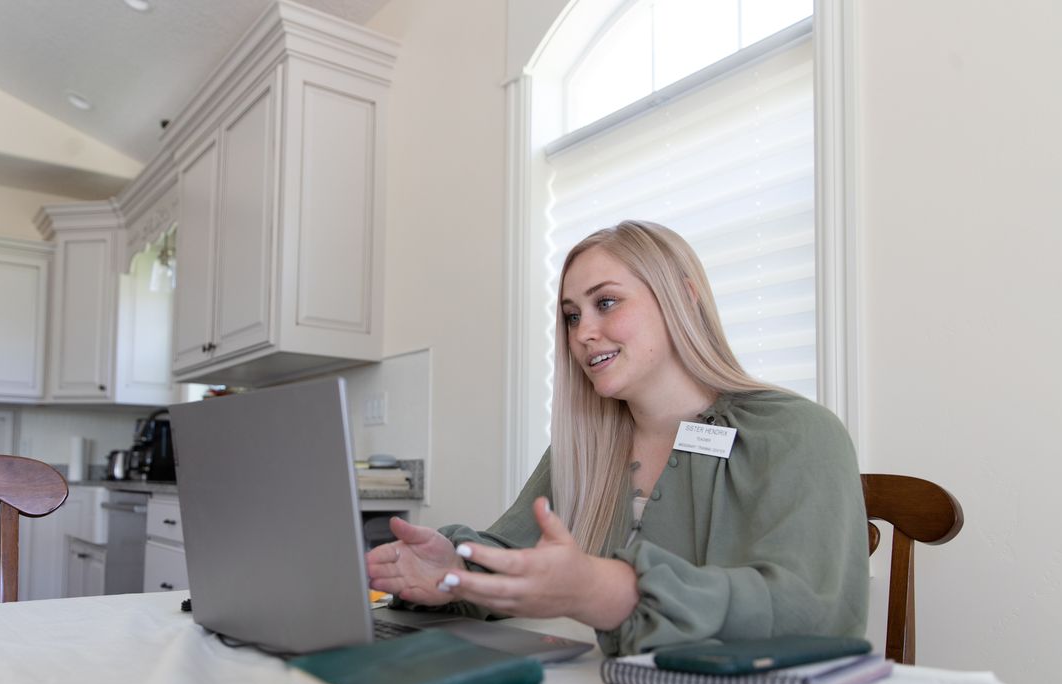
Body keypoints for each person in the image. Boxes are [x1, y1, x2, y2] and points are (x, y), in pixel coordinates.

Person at [366, 220, 868, 656]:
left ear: (684, 299)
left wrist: (605, 590)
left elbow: (810, 615)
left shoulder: (798, 433)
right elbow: (519, 557)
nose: (584, 332)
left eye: (606, 302)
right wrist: (456, 569)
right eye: (572, 315)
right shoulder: (584, 449)